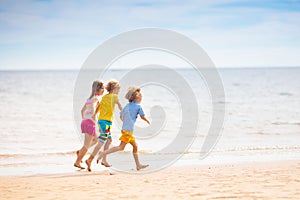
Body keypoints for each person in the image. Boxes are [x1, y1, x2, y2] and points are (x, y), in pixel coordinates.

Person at [97, 86, 150, 170]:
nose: (142, 98)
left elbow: (121, 115)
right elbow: (142, 116)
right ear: (137, 98)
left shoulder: (127, 105)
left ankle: (138, 165)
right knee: (121, 147)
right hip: (128, 131)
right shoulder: (138, 106)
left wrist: (125, 121)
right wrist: (147, 121)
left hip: (125, 129)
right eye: (141, 96)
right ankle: (103, 153)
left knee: (135, 146)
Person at [85, 80, 122, 171]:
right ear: (114, 89)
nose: (119, 91)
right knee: (102, 140)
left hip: (104, 122)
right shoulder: (115, 97)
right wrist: (124, 114)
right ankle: (90, 159)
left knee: (109, 140)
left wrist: (94, 115)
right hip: (105, 122)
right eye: (118, 89)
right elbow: (120, 106)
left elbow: (99, 106)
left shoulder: (105, 97)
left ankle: (104, 160)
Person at [74, 80, 104, 169]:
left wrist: (84, 119)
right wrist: (95, 123)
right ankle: (77, 162)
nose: (103, 90)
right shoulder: (96, 99)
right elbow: (94, 113)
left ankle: (80, 152)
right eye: (102, 88)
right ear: (98, 89)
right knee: (87, 145)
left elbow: (82, 111)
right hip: (90, 123)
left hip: (85, 122)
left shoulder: (89, 99)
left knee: (95, 140)